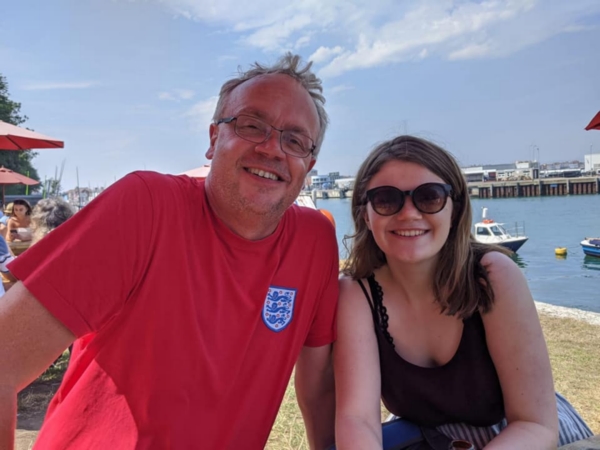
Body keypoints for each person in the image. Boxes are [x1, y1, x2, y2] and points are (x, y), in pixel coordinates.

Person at [0, 53, 338, 449]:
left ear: (308, 165)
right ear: (214, 139)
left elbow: (318, 388)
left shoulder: (314, 241)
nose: (272, 149)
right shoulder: (145, 206)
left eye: (294, 140)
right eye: (251, 125)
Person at [334, 135, 592, 449]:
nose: (409, 214)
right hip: (430, 436)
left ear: (454, 210)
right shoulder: (356, 293)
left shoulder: (492, 276)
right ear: (365, 213)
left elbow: (534, 424)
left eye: (429, 197)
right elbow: (358, 419)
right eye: (386, 199)